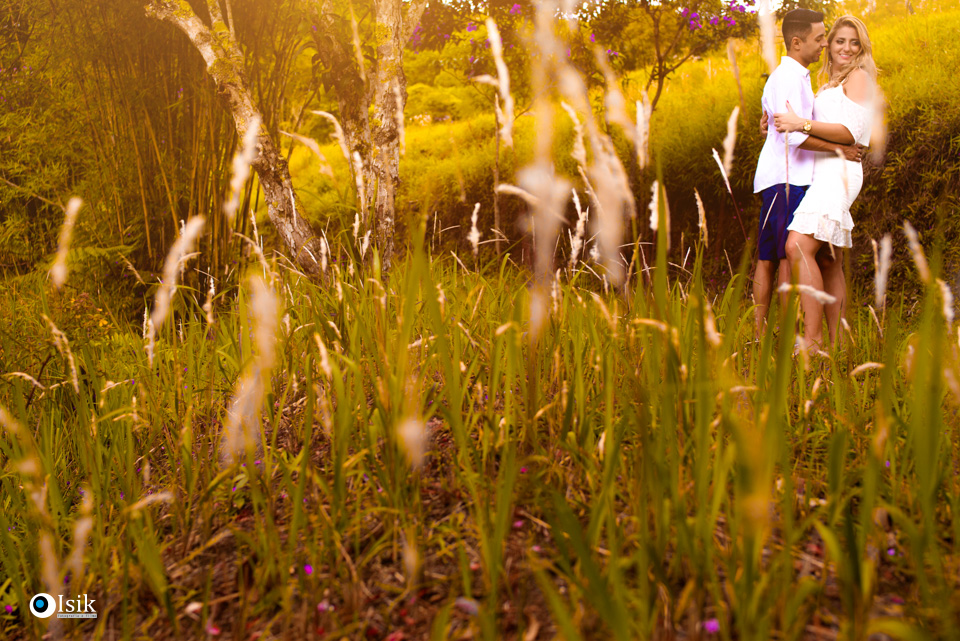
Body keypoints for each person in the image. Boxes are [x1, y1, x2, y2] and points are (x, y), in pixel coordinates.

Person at [752, 9, 863, 336]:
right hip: (789, 178)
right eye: (820, 39)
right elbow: (794, 134)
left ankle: (764, 334)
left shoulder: (787, 77)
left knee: (769, 258)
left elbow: (779, 123)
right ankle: (786, 337)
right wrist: (839, 149)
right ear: (797, 42)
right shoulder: (791, 77)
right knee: (786, 257)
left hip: (781, 177)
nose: (825, 45)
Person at [774, 16, 877, 352]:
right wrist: (776, 123)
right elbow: (815, 128)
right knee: (829, 260)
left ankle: (814, 342)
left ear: (861, 48)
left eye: (854, 42)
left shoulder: (859, 77)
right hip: (825, 170)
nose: (846, 48)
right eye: (839, 41)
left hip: (839, 174)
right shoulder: (829, 85)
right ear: (829, 45)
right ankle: (842, 344)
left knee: (796, 247)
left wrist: (800, 123)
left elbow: (850, 132)